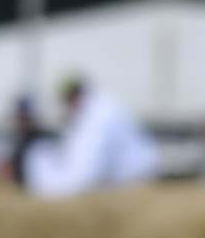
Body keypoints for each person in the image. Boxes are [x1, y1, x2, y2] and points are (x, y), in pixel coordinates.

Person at [25, 76, 157, 196]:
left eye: (65, 101)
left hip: (134, 184)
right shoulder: (101, 108)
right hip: (136, 181)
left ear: (74, 97)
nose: (65, 108)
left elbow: (86, 177)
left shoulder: (96, 119)